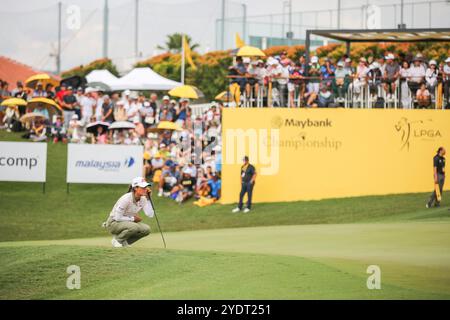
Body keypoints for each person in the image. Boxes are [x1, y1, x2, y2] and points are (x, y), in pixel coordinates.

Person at [105, 177, 155, 247]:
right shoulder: (126, 199)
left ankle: (123, 243)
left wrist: (149, 199)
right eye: (143, 187)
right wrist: (132, 219)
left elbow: (150, 214)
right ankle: (117, 240)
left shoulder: (143, 199)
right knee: (134, 227)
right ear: (135, 188)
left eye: (146, 187)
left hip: (127, 222)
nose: (146, 189)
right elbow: (117, 218)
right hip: (113, 223)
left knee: (146, 229)